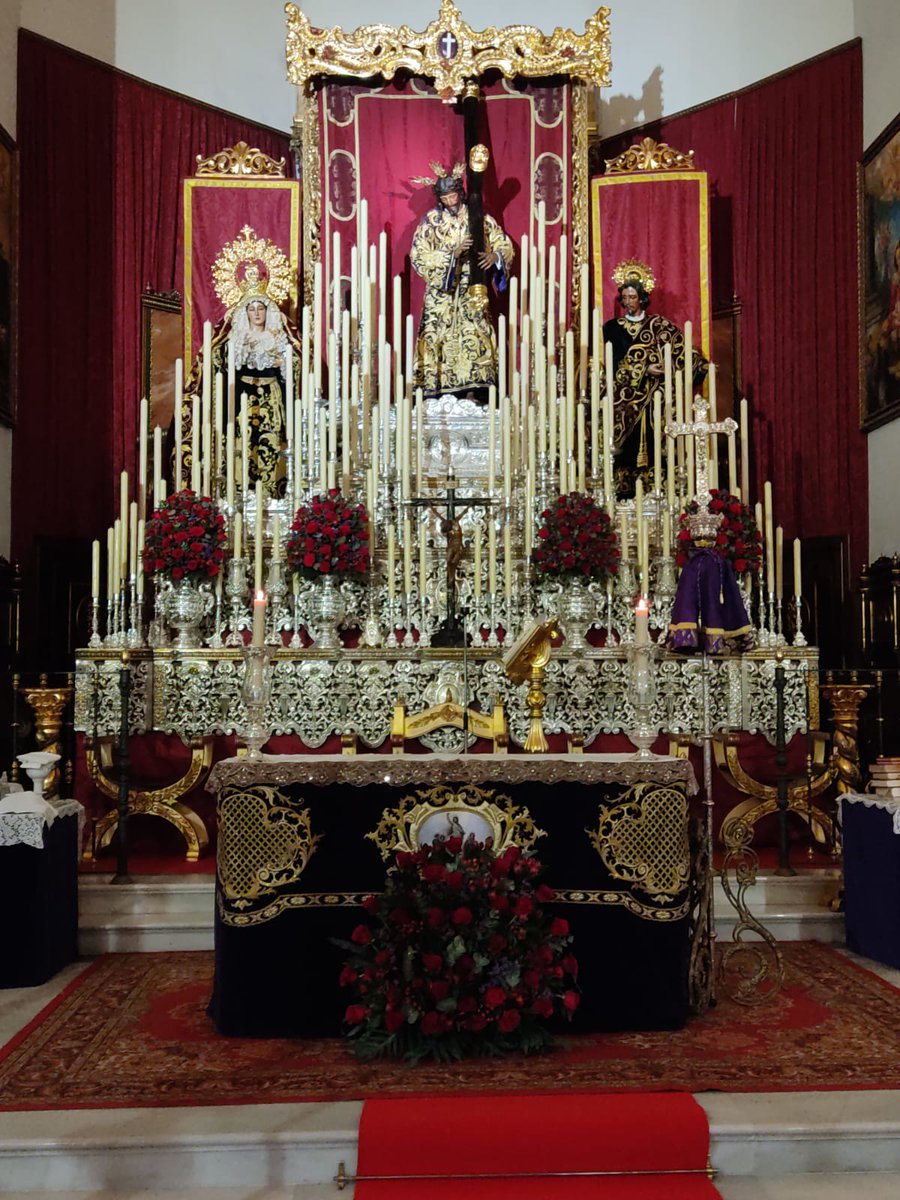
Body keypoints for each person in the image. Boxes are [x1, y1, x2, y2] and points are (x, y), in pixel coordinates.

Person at [187, 264, 300, 499]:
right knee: (242, 443)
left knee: (272, 443)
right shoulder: (236, 339)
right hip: (242, 398)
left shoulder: (278, 337)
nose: (257, 313)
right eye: (252, 309)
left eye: (261, 308)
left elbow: (298, 364)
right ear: (245, 312)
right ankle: (241, 492)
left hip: (271, 396)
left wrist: (285, 362)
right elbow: (218, 361)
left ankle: (273, 495)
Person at [410, 164, 513, 400]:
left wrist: (494, 256)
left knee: (477, 332)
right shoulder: (431, 222)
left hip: (472, 288)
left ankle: (478, 390)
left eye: (453, 195)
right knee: (437, 337)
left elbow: (502, 243)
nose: (449, 200)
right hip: (441, 295)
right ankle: (436, 392)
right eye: (444, 197)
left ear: (461, 193)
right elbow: (419, 255)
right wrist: (452, 255)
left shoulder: (478, 217)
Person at [603, 260, 707, 493]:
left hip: (658, 394)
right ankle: (627, 488)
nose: (628, 302)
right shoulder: (612, 328)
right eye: (625, 297)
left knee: (658, 429)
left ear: (642, 298)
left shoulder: (660, 326)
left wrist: (699, 364)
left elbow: (681, 350)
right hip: (627, 395)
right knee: (626, 434)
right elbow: (615, 360)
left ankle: (660, 485)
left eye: (633, 297)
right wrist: (644, 369)